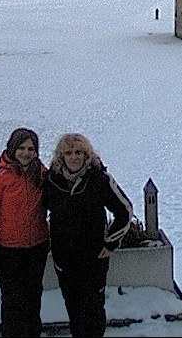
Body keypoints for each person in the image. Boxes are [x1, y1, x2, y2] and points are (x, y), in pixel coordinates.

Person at [44, 132, 134, 338]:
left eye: (79, 152)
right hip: (64, 258)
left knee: (93, 310)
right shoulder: (51, 180)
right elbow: (40, 212)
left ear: (87, 155)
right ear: (61, 156)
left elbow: (125, 211)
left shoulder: (99, 179)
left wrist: (110, 243)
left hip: (94, 257)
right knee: (73, 309)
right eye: (68, 153)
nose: (74, 157)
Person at [0, 127, 51, 338]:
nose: (26, 153)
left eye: (31, 148)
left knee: (33, 299)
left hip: (36, 246)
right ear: (12, 148)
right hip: (8, 250)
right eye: (21, 148)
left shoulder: (40, 172)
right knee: (12, 303)